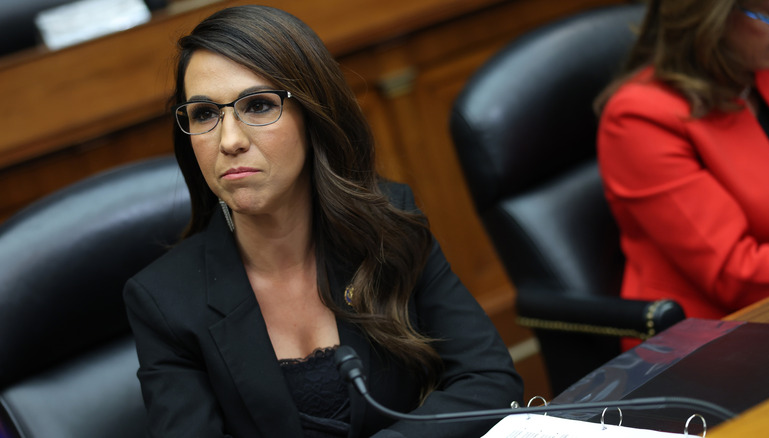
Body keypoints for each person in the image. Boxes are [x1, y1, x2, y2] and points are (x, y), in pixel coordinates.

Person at [123, 5, 524, 438]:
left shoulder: (386, 224)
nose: (230, 140)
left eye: (258, 105)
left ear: (313, 114)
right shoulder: (164, 301)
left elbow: (490, 382)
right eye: (204, 114)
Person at [596, 0, 769, 325]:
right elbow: (734, 274)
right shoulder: (638, 119)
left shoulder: (766, 66)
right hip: (720, 341)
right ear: (712, 17)